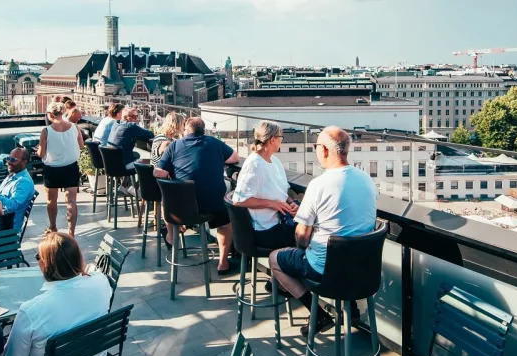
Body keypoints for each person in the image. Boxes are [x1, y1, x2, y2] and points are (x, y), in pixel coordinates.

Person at [268, 127, 377, 335]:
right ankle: (350, 308)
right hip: (363, 269)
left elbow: (301, 237)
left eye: (316, 146)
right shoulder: (366, 180)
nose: (315, 150)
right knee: (343, 243)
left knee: (276, 259)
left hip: (325, 272)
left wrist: (305, 234)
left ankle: (317, 314)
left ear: (325, 150)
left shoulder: (319, 185)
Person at [1, 231, 113, 356]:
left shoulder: (31, 311)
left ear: (44, 265)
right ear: (78, 258)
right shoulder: (101, 282)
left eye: (38, 258)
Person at [154, 117, 241, 275]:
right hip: (212, 204)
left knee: (168, 199)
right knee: (225, 225)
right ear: (204, 130)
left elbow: (158, 172)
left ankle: (172, 237)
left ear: (186, 130)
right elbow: (235, 158)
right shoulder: (214, 142)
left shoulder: (174, 145)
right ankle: (223, 263)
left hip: (181, 209)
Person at [233, 121, 297, 250]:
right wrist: (272, 204)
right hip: (265, 230)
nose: (282, 141)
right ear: (273, 139)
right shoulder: (254, 164)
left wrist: (292, 203)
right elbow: (238, 200)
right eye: (281, 138)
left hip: (281, 221)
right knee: (310, 234)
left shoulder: (275, 160)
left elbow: (282, 190)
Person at [36, 102, 85, 236]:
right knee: (71, 201)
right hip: (71, 167)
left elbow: (41, 154)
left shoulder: (46, 131)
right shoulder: (75, 127)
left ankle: (53, 227)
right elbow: (81, 146)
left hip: (52, 169)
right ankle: (72, 232)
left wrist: (37, 151)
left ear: (50, 114)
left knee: (52, 200)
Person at [0, 147, 35, 231]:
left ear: (24, 162)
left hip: (6, 227)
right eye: (8, 158)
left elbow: (12, 205)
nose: (9, 162)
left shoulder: (24, 182)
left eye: (13, 160)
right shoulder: (13, 174)